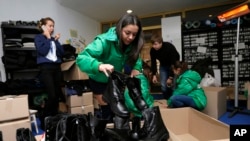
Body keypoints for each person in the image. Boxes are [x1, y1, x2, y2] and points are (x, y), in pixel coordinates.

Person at [76, 13, 169, 141]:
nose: (131, 37)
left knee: (121, 110)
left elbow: (136, 57)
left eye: (134, 34)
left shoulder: (131, 44)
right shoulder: (103, 41)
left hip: (115, 80)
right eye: (127, 33)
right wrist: (99, 65)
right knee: (107, 109)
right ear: (120, 28)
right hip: (99, 80)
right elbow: (81, 59)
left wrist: (137, 68)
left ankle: (121, 135)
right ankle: (103, 134)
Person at [34, 17, 65, 129]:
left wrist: (55, 41)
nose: (52, 28)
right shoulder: (39, 38)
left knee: (57, 95)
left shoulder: (53, 39)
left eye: (53, 26)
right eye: (49, 26)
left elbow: (62, 53)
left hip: (56, 67)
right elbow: (43, 51)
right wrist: (48, 38)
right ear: (43, 26)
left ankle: (54, 119)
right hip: (46, 68)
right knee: (51, 95)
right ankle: (44, 118)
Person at [150, 34, 180, 99]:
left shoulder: (169, 47)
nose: (154, 46)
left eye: (156, 44)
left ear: (161, 43)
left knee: (173, 84)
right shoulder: (153, 50)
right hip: (163, 65)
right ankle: (166, 99)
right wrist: (154, 75)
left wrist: (171, 77)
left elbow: (173, 62)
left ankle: (174, 99)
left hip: (174, 64)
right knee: (163, 85)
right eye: (153, 44)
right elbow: (153, 63)